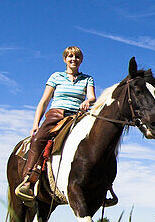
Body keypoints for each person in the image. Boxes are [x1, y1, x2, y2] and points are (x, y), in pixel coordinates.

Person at [14, 46, 96, 204]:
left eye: (77, 57)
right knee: (38, 139)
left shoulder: (87, 79)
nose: (74, 59)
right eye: (70, 57)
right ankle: (29, 181)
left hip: (78, 116)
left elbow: (92, 97)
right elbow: (44, 101)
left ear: (81, 60)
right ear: (65, 59)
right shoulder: (56, 77)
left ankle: (102, 184)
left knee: (97, 138)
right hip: (56, 114)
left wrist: (87, 101)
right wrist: (35, 123)